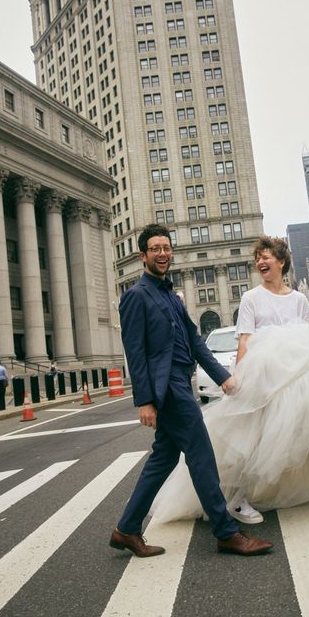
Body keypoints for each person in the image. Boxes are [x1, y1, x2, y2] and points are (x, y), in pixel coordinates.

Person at [150, 236, 309, 526]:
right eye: (258, 258)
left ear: (282, 261)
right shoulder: (251, 298)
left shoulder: (299, 299)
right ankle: (239, 499)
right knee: (253, 438)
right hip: (265, 380)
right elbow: (245, 340)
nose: (261, 262)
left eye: (266, 257)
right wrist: (237, 377)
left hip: (301, 378)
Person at [109, 223, 273, 558]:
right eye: (155, 248)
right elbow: (136, 352)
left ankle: (126, 529)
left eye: (166, 247)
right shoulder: (136, 297)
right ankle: (226, 532)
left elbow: (195, 341)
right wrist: (144, 401)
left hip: (181, 382)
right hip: (167, 387)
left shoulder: (170, 295)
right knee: (201, 455)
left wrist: (223, 377)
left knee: (163, 459)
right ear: (143, 256)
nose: (163, 253)